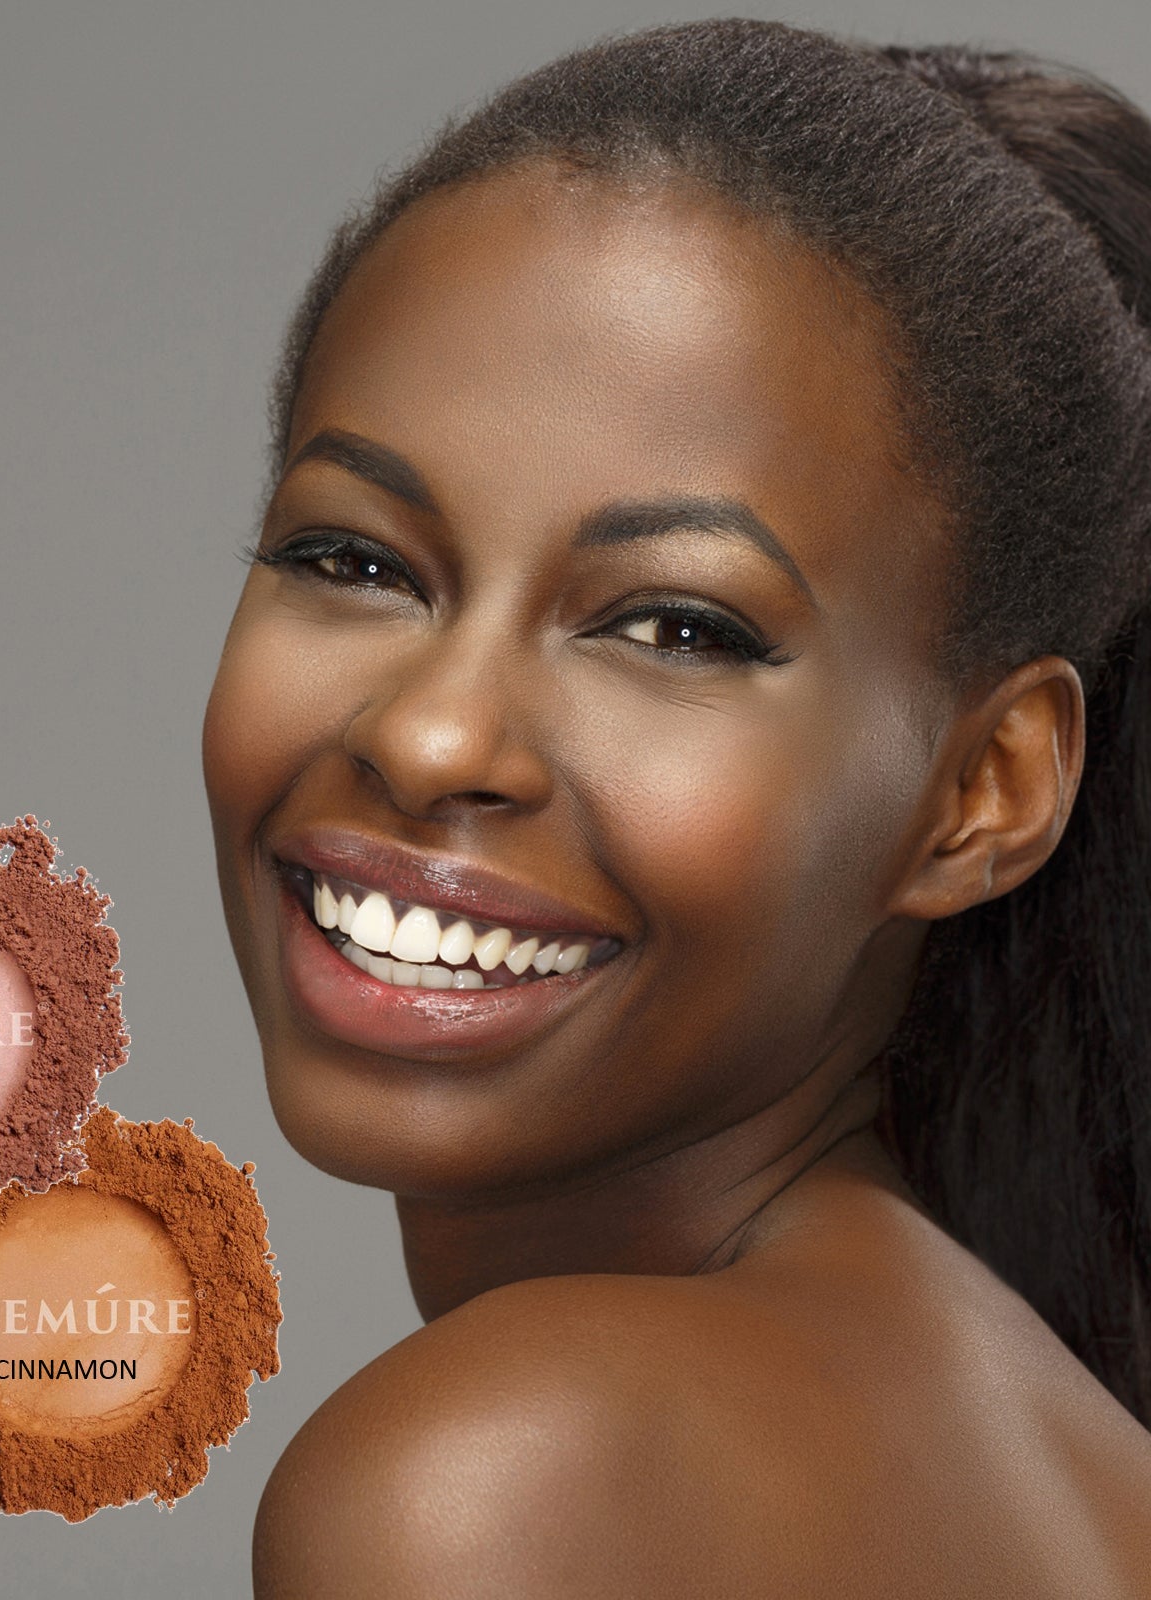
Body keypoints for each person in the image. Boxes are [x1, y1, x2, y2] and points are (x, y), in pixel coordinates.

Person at [201, 17, 1151, 1595]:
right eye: (353, 561)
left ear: (981, 791)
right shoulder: (1075, 1465)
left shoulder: (516, 1483)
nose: (434, 735)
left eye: (676, 627)